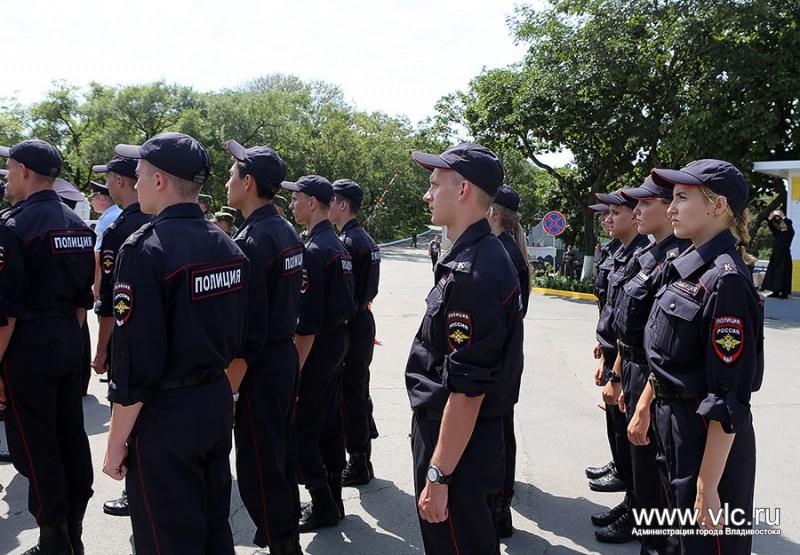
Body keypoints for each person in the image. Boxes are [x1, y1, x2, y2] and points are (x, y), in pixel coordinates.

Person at [101, 132, 249, 554]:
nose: (136, 182)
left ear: (160, 180)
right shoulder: (227, 246)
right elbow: (240, 338)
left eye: (140, 173)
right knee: (212, 528)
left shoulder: (145, 250)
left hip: (166, 415)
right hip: (214, 400)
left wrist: (115, 445)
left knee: (166, 539)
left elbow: (135, 362)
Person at [632, 160, 764, 554]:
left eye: (682, 198)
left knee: (705, 545)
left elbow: (729, 396)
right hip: (674, 428)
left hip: (706, 441)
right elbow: (666, 357)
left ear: (718, 205)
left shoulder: (726, 280)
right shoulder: (686, 266)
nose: (671, 208)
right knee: (675, 542)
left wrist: (708, 484)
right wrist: (646, 403)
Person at [406, 143, 523, 555]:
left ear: (463, 190)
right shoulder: (472, 256)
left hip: (459, 450)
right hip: (457, 439)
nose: (427, 195)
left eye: (434, 185)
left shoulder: (474, 271)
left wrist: (438, 475)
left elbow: (468, 390)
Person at [0, 139, 95, 555]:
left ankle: (55, 540)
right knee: (70, 435)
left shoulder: (13, 225)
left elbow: (5, 313)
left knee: (35, 445)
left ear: (23, 170)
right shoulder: (77, 224)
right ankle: (73, 533)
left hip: (29, 345)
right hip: (69, 339)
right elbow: (82, 302)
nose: (6, 178)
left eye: (9, 169)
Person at [223, 139, 303, 555]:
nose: (227, 181)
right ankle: (285, 538)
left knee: (259, 467)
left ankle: (281, 543)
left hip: (260, 366)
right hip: (281, 357)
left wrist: (232, 391)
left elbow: (247, 330)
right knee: (278, 458)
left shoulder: (253, 241)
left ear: (248, 182)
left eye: (232, 174)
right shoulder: (283, 228)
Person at [609, 178, 691, 554]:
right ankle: (640, 519)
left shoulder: (677, 260)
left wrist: (642, 394)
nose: (637, 212)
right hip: (635, 370)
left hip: (652, 378)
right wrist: (618, 370)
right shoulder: (651, 256)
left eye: (645, 204)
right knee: (641, 466)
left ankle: (651, 536)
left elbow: (661, 342)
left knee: (654, 472)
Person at [283, 175, 357, 532]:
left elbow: (307, 324)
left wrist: (294, 373)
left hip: (317, 346)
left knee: (301, 428)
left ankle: (323, 502)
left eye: (296, 198)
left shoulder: (314, 251)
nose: (291, 204)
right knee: (329, 423)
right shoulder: (336, 245)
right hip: (337, 341)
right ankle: (334, 498)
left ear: (312, 202)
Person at [87, 156, 152, 519]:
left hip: (129, 342)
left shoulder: (121, 229)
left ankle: (135, 489)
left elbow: (113, 304)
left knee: (131, 418)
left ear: (123, 182)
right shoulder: (156, 221)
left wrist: (102, 350)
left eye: (111, 179)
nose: (108, 186)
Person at [591, 189, 650, 543]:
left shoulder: (646, 257)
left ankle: (639, 510)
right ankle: (632, 500)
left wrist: (616, 371)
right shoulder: (625, 253)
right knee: (624, 439)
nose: (606, 219)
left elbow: (641, 330)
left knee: (640, 450)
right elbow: (612, 310)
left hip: (635, 366)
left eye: (615, 212)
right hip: (621, 358)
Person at [329, 179, 381, 486]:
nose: (329, 206)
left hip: (352, 322)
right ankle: (363, 456)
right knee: (359, 388)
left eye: (332, 201)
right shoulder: (365, 238)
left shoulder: (348, 242)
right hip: (363, 318)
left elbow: (346, 294)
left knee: (350, 394)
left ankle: (359, 461)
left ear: (343, 205)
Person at [486, 184, 530, 538]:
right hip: (508, 354)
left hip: (499, 357)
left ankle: (500, 508)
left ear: (495, 213)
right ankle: (500, 505)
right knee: (502, 428)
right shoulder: (509, 249)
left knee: (498, 433)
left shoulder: (501, 252)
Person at [89, 180, 122, 301]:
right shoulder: (121, 214)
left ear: (102, 199)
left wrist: (96, 286)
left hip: (107, 278)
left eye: (93, 198)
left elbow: (99, 256)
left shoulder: (105, 220)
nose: (91, 203)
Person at [762, 209, 794, 298]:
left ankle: (784, 293)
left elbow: (789, 224)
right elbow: (771, 226)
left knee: (784, 274)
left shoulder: (790, 233)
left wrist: (783, 216)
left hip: (784, 257)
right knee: (775, 274)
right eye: (781, 222)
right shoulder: (779, 233)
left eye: (783, 222)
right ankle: (775, 291)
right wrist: (770, 217)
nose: (781, 223)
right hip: (776, 257)